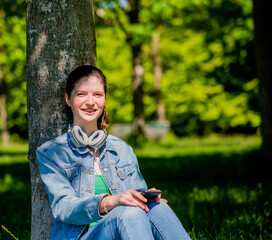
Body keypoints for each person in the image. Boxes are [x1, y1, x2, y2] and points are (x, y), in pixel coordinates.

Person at [36, 65, 191, 240]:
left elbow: (138, 201)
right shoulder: (52, 152)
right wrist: (112, 201)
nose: (90, 101)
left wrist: (147, 197)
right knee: (129, 213)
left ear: (104, 100)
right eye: (81, 94)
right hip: (81, 237)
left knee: (158, 208)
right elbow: (63, 207)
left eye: (97, 95)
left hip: (127, 230)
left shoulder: (121, 149)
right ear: (68, 99)